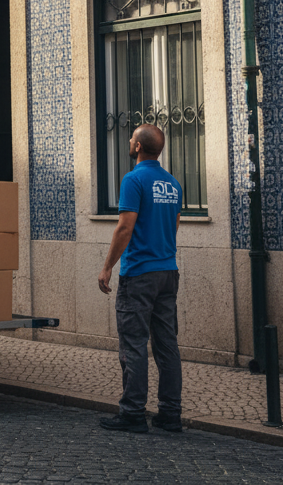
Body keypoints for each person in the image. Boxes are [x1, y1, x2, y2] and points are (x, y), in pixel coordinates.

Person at [97, 123, 183, 434]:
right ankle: (170, 414)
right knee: (167, 345)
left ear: (138, 147)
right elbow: (174, 225)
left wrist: (108, 266)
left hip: (139, 274)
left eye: (132, 137)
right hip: (167, 272)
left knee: (133, 344)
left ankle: (133, 413)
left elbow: (125, 228)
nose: (129, 139)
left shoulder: (133, 180)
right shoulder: (173, 184)